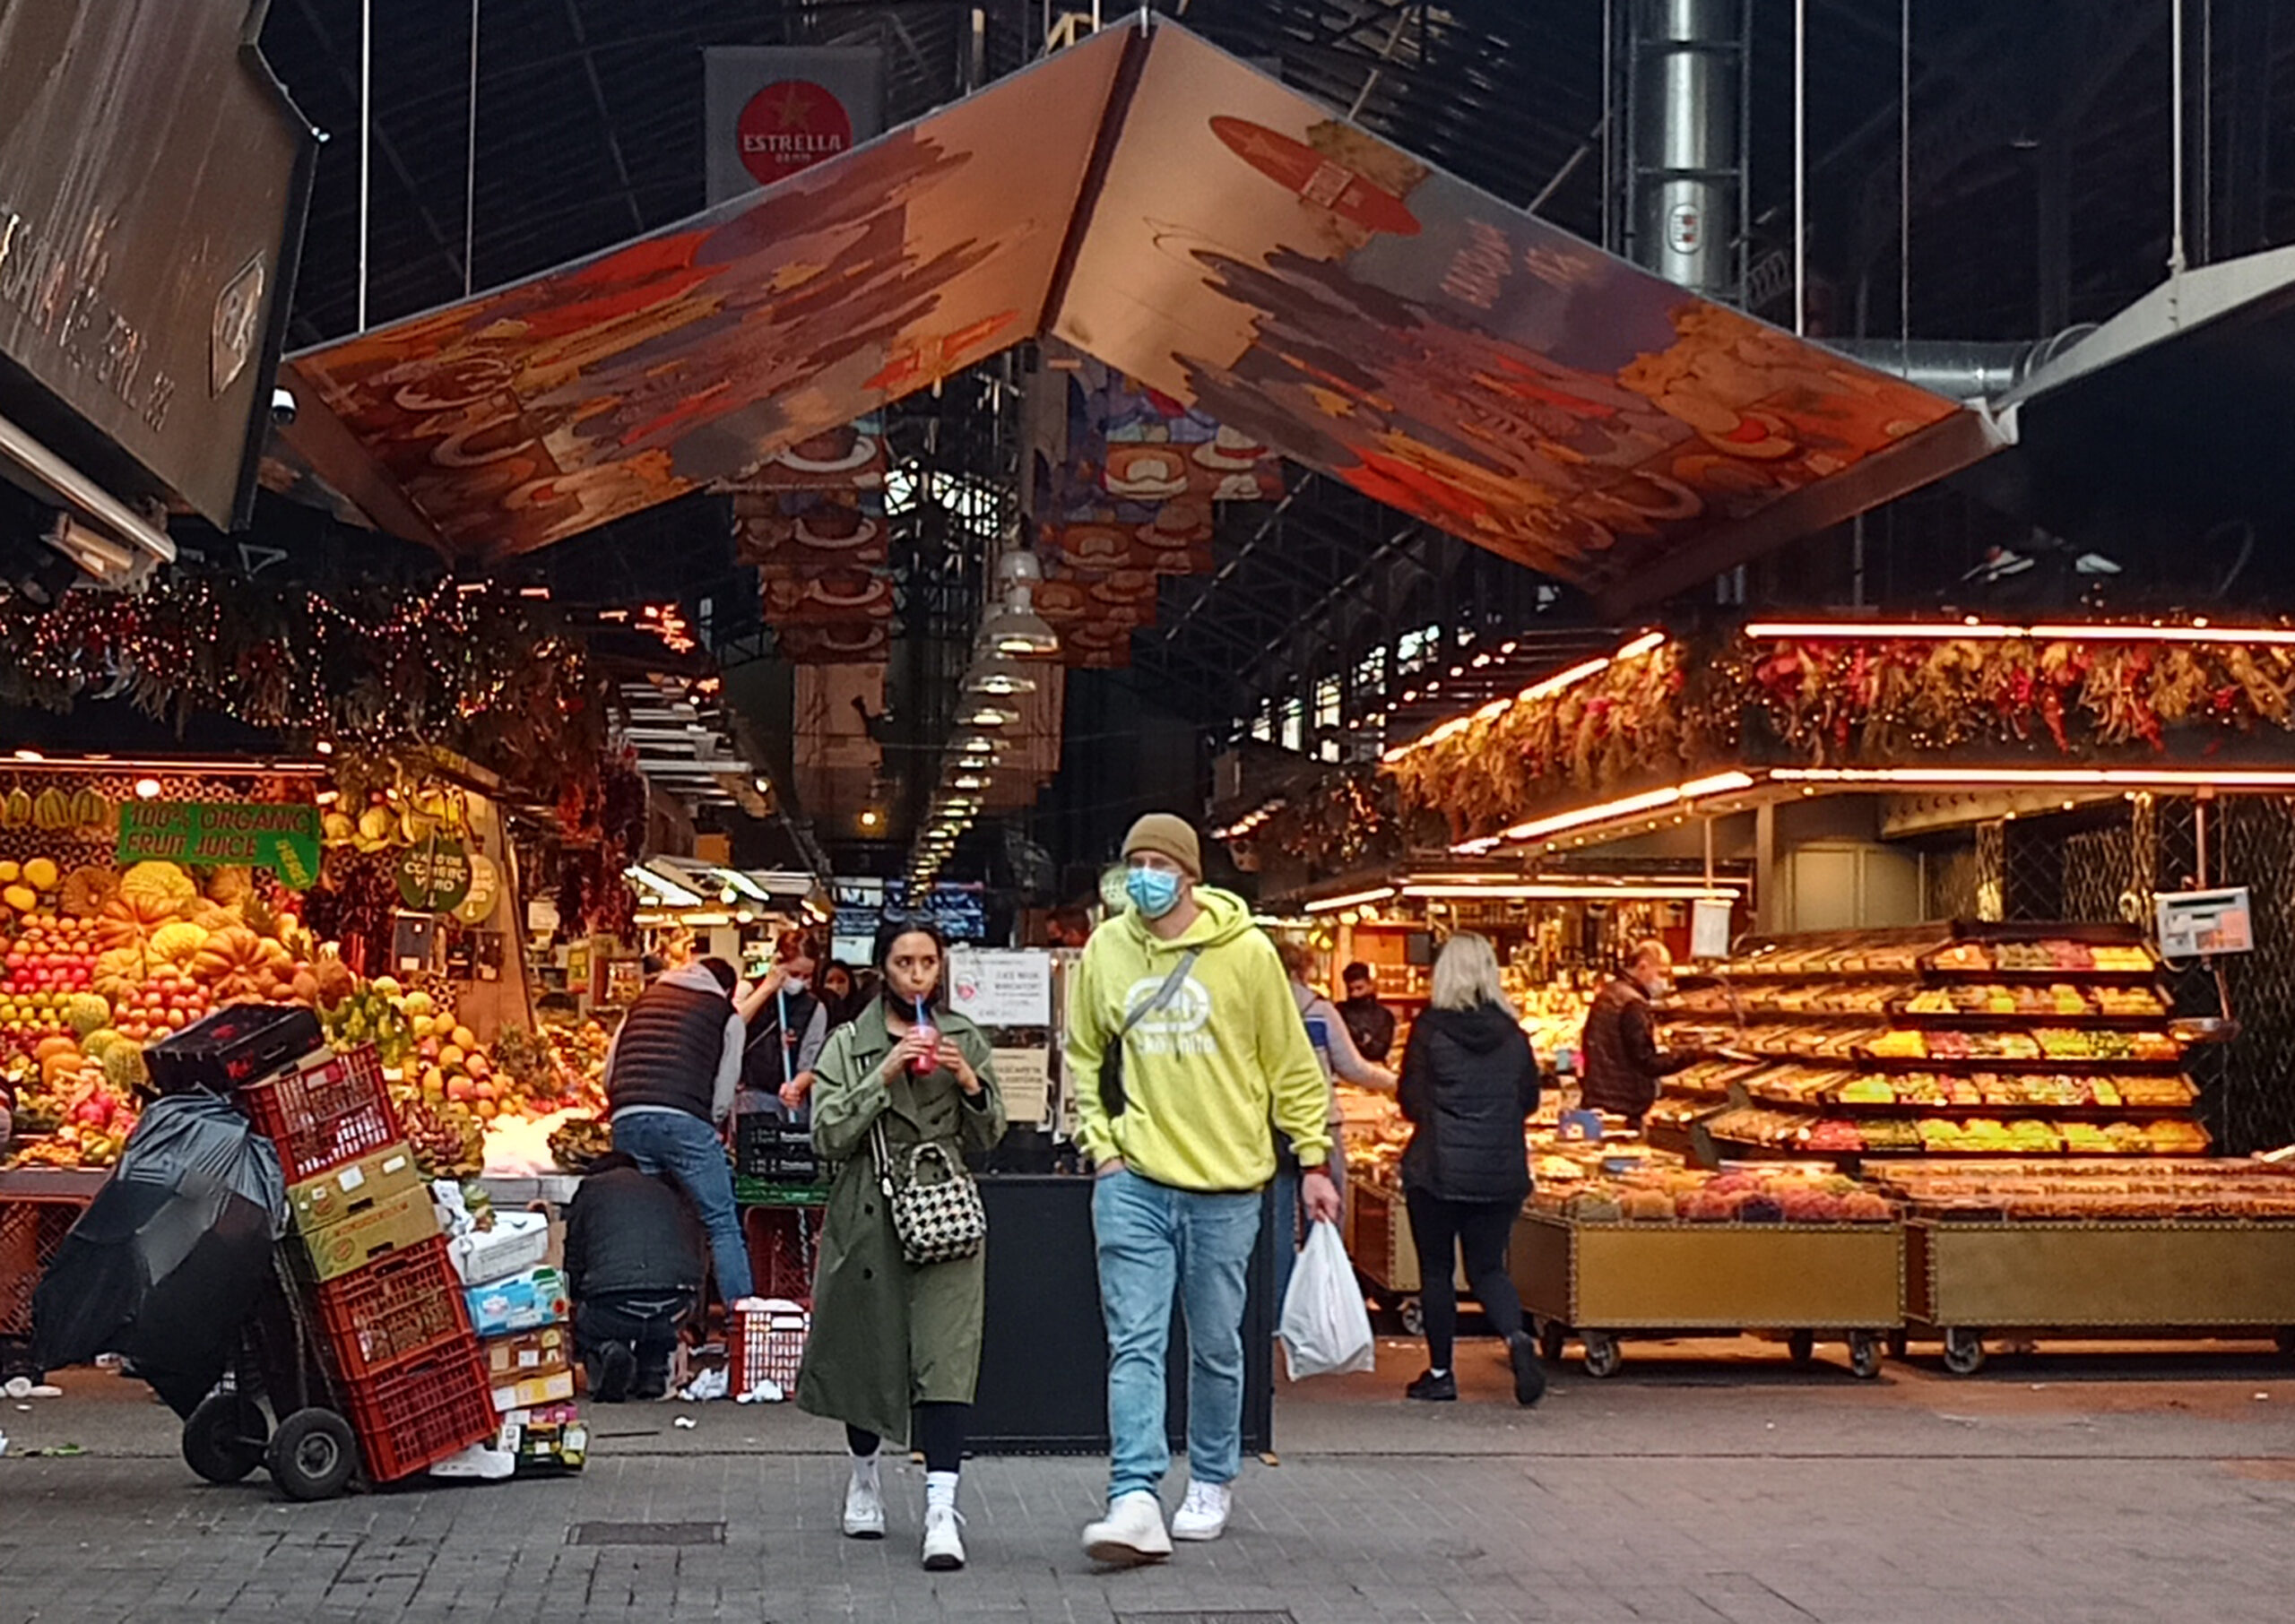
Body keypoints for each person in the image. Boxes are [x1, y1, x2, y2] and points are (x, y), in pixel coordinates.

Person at [1067, 813, 1336, 1566]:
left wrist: (1313, 1160)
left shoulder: (1246, 954)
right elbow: (1083, 1052)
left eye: (1158, 861)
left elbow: (1288, 1064)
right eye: (1134, 861)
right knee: (1136, 1343)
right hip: (1135, 1183)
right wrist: (1103, 1146)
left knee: (1217, 1344)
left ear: (1190, 874)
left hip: (1227, 1187)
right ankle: (1135, 1494)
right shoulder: (1106, 950)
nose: (1144, 876)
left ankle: (1213, 1475)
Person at [797, 918, 1006, 1572]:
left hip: (944, 1214)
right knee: (871, 1353)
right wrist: (882, 1074)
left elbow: (991, 1135)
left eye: (927, 963)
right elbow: (825, 1135)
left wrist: (970, 1084)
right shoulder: (846, 1046)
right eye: (904, 963)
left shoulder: (964, 1038)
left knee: (947, 1358)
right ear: (881, 971)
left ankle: (942, 1510)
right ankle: (864, 1475)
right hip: (870, 1214)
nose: (917, 976)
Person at [1394, 933, 1545, 1408]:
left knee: (1437, 1271)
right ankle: (1517, 1338)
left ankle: (1441, 1374)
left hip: (1436, 1170)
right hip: (1499, 1171)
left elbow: (1410, 1099)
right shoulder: (1515, 1035)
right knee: (1488, 1268)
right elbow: (1529, 1101)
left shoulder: (1429, 1030)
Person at [603, 955, 753, 1312]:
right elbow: (723, 1092)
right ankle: (743, 1324)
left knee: (642, 1217)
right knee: (721, 1223)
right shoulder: (725, 1014)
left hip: (627, 1115)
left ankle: (641, 1314)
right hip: (685, 1121)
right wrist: (711, 1125)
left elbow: (609, 1075)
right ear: (728, 990)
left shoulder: (641, 1002)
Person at [1272, 937, 1393, 1299]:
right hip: (1322, 1125)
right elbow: (1353, 1067)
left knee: (1276, 1225)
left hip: (1271, 1126)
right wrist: (1396, 1082)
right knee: (1324, 1217)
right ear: (1301, 969)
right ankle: (1321, 1303)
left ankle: (1279, 1307)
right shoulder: (1319, 1009)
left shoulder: (1255, 1006)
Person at [564, 1152, 707, 1402]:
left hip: (614, 1306)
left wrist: (574, 1297)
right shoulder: (665, 1191)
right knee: (657, 1318)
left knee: (592, 1324)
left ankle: (607, 1351)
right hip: (676, 1303)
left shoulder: (590, 1190)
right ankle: (652, 1373)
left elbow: (574, 1254)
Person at [1578, 938, 1690, 1127]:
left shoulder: (1608, 994)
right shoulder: (1633, 1004)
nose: (1664, 981)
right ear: (1643, 967)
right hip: (1624, 1105)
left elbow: (1586, 1048)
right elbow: (1646, 1061)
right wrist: (1690, 1055)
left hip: (1598, 1099)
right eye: (1661, 973)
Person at [737, 929, 831, 1114]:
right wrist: (767, 988)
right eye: (794, 974)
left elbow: (810, 1063)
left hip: (788, 1099)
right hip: (747, 1094)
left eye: (807, 976)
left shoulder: (814, 1008)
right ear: (777, 963)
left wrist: (795, 1087)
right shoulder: (748, 990)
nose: (800, 982)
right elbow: (733, 1025)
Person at [1337, 961, 1398, 1066]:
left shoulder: (1384, 1015)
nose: (1355, 994)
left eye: (1359, 988)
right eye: (1350, 990)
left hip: (1373, 1068)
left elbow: (1378, 1051)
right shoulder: (1339, 1011)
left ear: (1370, 984)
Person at [819, 960, 861, 1027]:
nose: (836, 987)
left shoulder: (861, 1013)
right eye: (830, 981)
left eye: (841, 981)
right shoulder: (816, 1012)